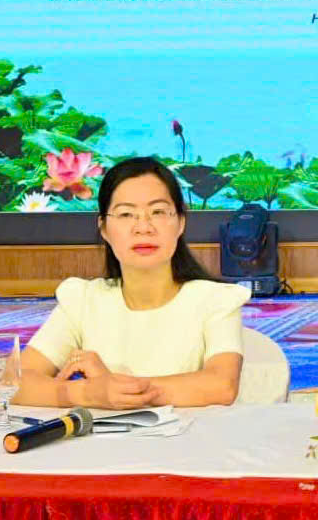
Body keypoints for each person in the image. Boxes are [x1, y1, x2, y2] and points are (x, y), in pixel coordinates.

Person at [13, 157, 249, 409]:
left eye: (158, 212)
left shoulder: (215, 300)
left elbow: (221, 385)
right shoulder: (82, 300)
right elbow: (12, 381)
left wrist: (113, 388)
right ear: (104, 228)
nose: (143, 227)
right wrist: (88, 393)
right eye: (126, 214)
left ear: (180, 222)